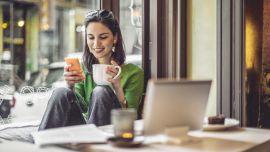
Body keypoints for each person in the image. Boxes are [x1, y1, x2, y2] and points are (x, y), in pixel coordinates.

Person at [38, 9, 144, 130]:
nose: (96, 44)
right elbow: (82, 107)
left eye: (103, 37)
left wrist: (117, 87)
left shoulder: (134, 73)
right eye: (91, 37)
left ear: (115, 38)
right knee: (61, 92)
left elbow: (129, 119)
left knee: (101, 91)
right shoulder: (83, 68)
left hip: (112, 131)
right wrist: (70, 87)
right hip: (85, 131)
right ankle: (39, 146)